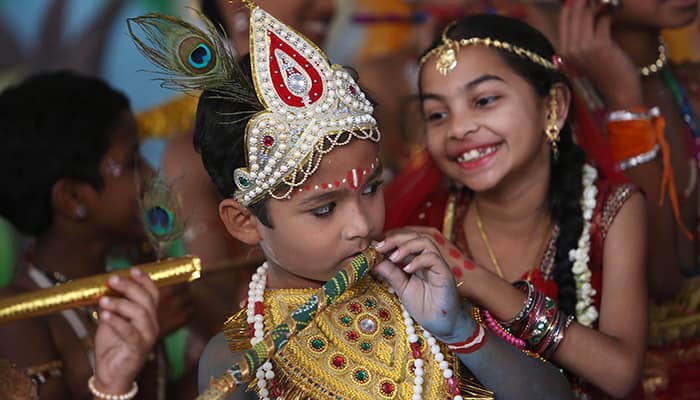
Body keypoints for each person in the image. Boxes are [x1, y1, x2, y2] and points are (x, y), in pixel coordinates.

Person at [128, 3, 573, 399]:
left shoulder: (422, 292)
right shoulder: (237, 360)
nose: (362, 223)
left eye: (372, 188)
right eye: (324, 208)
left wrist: (461, 331)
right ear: (244, 221)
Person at [383, 14, 648, 399]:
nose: (458, 129)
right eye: (437, 115)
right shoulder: (426, 222)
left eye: (484, 101)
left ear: (553, 107)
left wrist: (471, 277)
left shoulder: (613, 211)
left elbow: (620, 373)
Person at [0, 71, 189, 399]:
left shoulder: (121, 286)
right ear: (73, 199)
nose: (150, 173)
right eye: (131, 162)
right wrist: (131, 357)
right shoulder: (16, 317)